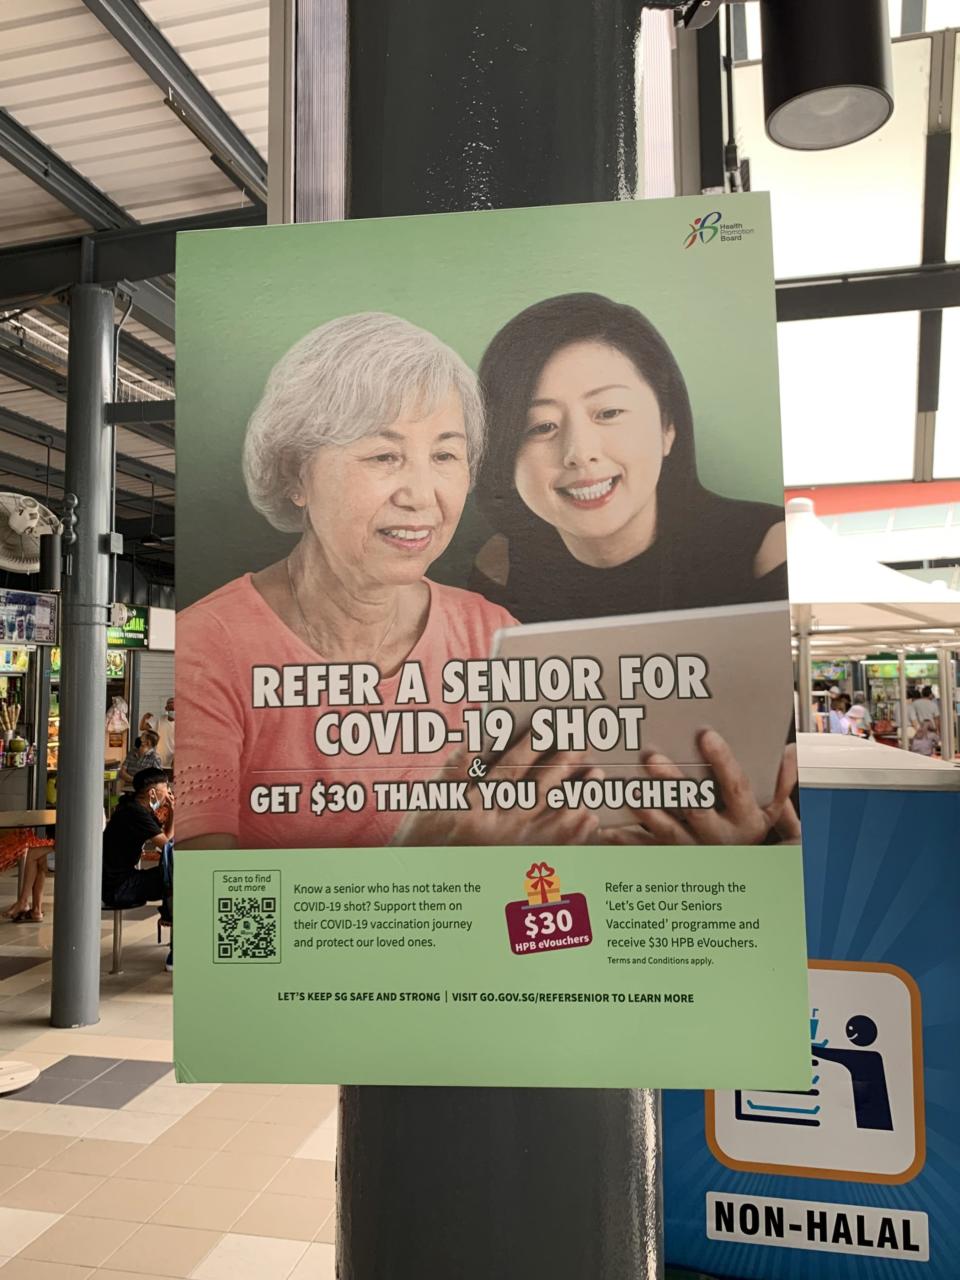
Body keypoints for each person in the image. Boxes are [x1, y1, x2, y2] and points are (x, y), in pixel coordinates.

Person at [176, 313, 599, 851]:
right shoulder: (208, 648)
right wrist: (425, 859)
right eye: (384, 455)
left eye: (446, 454)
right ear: (294, 474)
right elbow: (215, 907)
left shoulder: (492, 637)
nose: (422, 495)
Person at [470, 292, 798, 845]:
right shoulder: (499, 568)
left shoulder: (765, 547)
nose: (579, 451)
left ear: (668, 425)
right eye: (540, 427)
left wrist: (759, 845)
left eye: (609, 412)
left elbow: (796, 788)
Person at [102, 767, 174, 968]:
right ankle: (177, 944)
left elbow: (166, 840)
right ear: (152, 792)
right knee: (180, 880)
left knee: (172, 877)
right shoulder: (135, 813)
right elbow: (166, 845)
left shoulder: (136, 808)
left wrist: (172, 813)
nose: (168, 792)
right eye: (165, 788)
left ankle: (172, 924)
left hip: (121, 879)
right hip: (118, 887)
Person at [156, 698, 175, 771]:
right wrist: (145, 717)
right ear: (166, 709)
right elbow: (143, 727)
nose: (172, 711)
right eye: (170, 709)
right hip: (160, 761)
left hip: (174, 762)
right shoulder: (160, 720)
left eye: (174, 709)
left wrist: (177, 757)